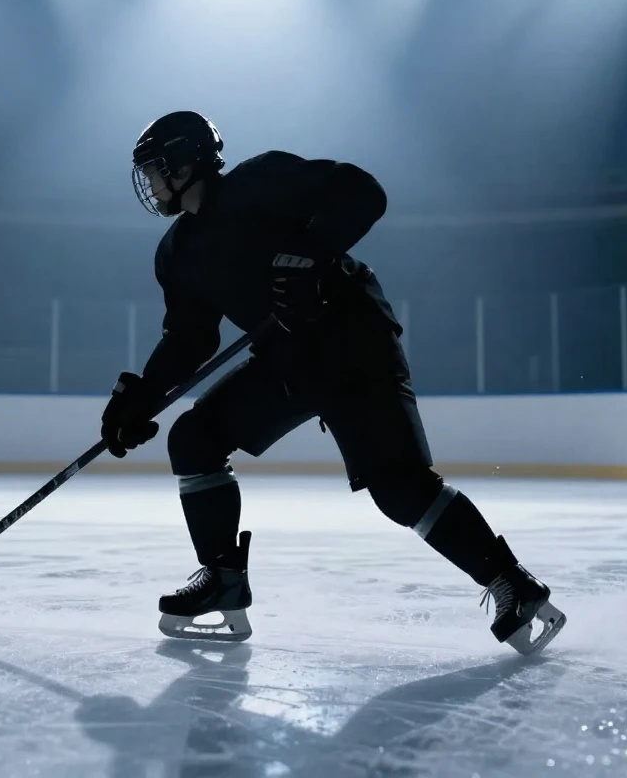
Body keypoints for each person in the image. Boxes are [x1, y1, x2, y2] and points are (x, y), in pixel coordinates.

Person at [100, 110, 565, 654]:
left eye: (155, 170)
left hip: (352, 342)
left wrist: (309, 260)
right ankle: (222, 580)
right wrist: (142, 398)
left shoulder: (259, 180)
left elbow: (362, 192)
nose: (150, 184)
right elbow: (188, 338)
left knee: (399, 489)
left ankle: (513, 584)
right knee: (193, 437)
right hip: (289, 360)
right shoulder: (176, 254)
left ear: (185, 162)